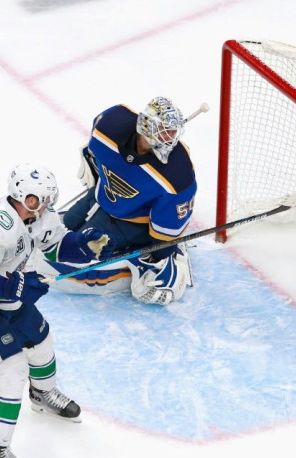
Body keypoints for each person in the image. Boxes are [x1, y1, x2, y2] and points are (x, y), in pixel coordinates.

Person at [0, 163, 114, 458]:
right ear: (18, 196)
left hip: (6, 297)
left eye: (47, 201)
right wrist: (18, 287)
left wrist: (84, 245)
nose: (42, 208)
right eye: (35, 201)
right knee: (11, 371)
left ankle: (43, 393)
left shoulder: (39, 217)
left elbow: (59, 246)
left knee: (42, 340)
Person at [33, 96, 197, 305]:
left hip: (132, 223)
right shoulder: (110, 126)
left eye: (173, 132)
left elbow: (168, 225)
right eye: (165, 131)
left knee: (75, 255)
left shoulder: (177, 173)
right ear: (146, 126)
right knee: (55, 234)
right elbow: (94, 150)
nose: (170, 139)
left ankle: (148, 260)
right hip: (101, 197)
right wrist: (95, 174)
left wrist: (161, 255)